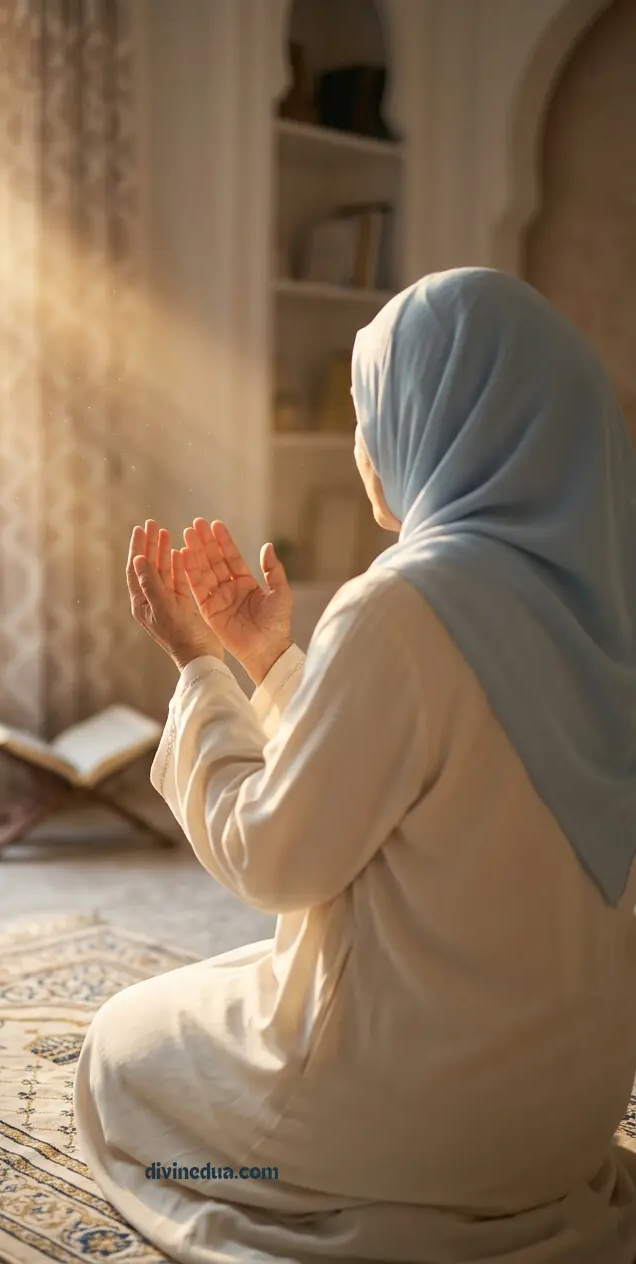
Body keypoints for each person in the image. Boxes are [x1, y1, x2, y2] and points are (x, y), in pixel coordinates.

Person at [73, 268, 636, 1263]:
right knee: (241, 976)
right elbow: (414, 776)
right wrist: (266, 659)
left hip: (415, 1122)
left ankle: (307, 1185)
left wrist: (199, 667)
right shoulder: (605, 614)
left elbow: (274, 858)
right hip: (558, 1128)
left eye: (367, 409)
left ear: (433, 416)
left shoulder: (402, 605)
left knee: (118, 1050)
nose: (358, 441)